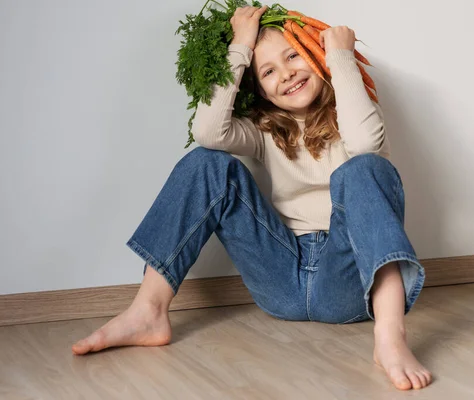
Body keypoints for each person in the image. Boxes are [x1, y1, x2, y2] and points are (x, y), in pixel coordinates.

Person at [72, 5, 432, 391]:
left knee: (365, 168)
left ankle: (390, 336)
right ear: (259, 89)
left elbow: (365, 145)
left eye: (293, 55)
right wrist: (241, 44)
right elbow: (209, 132)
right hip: (279, 275)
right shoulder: (262, 132)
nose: (287, 74)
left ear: (316, 55)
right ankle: (148, 310)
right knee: (205, 163)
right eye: (269, 71)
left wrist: (340, 56)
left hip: (343, 282)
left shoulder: (356, 116)